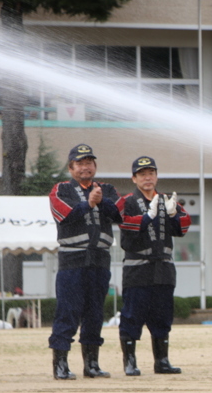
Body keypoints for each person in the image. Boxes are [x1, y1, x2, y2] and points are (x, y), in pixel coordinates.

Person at [48, 144, 123, 379]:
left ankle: (92, 364)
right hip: (72, 259)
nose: (85, 167)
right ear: (71, 168)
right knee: (67, 311)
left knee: (95, 312)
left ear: (95, 166)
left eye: (89, 162)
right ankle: (60, 364)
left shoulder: (107, 189)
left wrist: (102, 201)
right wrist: (88, 203)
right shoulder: (61, 189)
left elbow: (120, 214)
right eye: (79, 163)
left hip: (100, 259)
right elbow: (64, 214)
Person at [116, 156, 191, 376]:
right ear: (134, 178)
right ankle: (130, 361)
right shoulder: (127, 201)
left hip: (164, 268)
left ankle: (162, 361)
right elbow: (126, 229)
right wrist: (147, 216)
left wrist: (173, 214)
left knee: (162, 315)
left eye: (151, 173)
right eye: (142, 174)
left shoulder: (168, 200)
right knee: (132, 315)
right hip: (137, 268)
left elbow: (183, 229)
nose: (147, 178)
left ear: (157, 176)